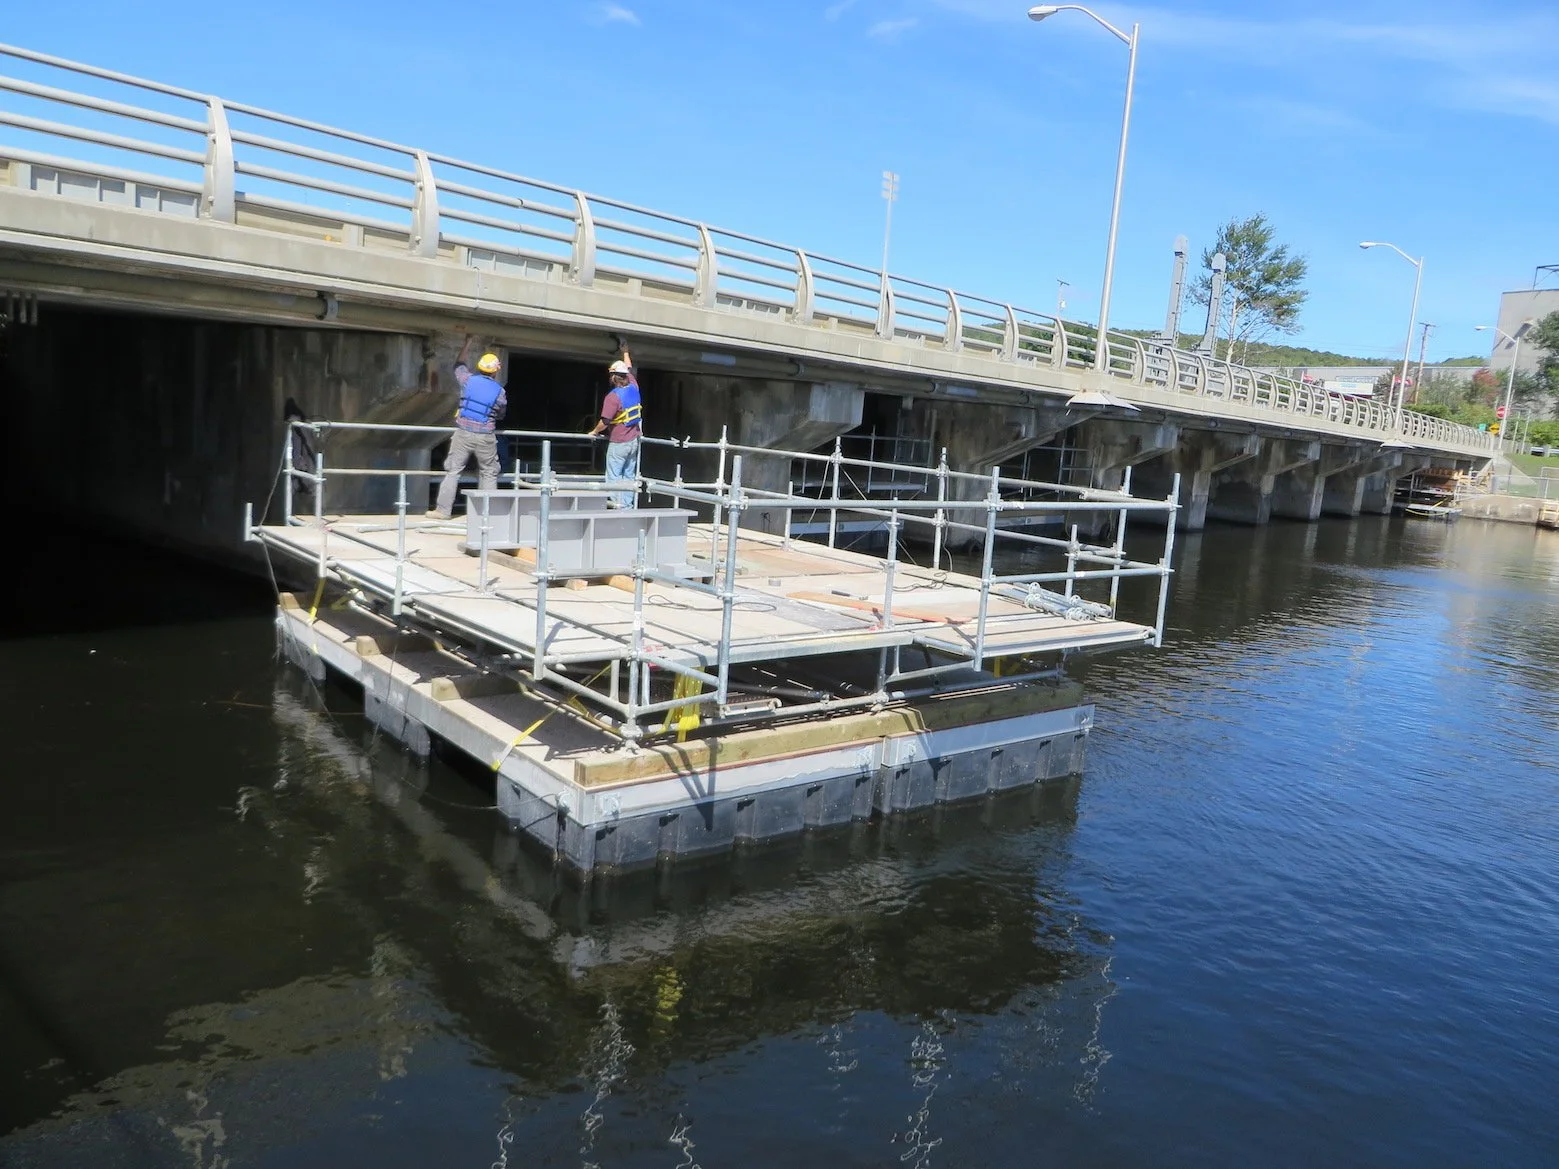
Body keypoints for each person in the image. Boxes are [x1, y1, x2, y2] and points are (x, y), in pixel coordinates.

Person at [428, 337, 506, 519]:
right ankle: (487, 516)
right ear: (495, 372)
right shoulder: (500, 392)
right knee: (488, 472)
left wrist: (467, 343)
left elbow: (459, 365)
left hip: (463, 433)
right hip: (486, 436)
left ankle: (442, 511)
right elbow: (501, 413)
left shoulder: (468, 380)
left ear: (479, 367)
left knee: (453, 471)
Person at [586, 346, 641, 508]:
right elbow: (629, 368)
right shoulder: (633, 386)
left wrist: (594, 432)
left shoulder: (613, 397)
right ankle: (627, 508)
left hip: (619, 442)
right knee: (628, 475)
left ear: (613, 377)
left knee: (613, 475)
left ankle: (616, 507)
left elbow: (605, 422)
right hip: (634, 441)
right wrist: (625, 352)